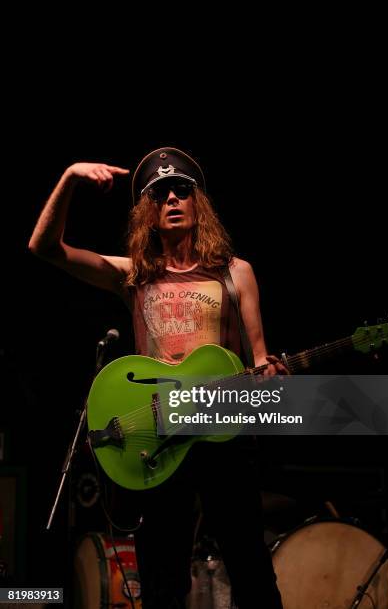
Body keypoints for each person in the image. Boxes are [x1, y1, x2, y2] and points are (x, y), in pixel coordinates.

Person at [29, 147, 287, 608]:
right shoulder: (135, 275)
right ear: (147, 213)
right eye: (159, 193)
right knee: (163, 578)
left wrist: (271, 376)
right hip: (161, 439)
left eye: (182, 190)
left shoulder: (236, 274)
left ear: (198, 203)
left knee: (251, 569)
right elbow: (44, 248)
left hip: (223, 438)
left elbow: (261, 362)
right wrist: (69, 177)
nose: (171, 198)